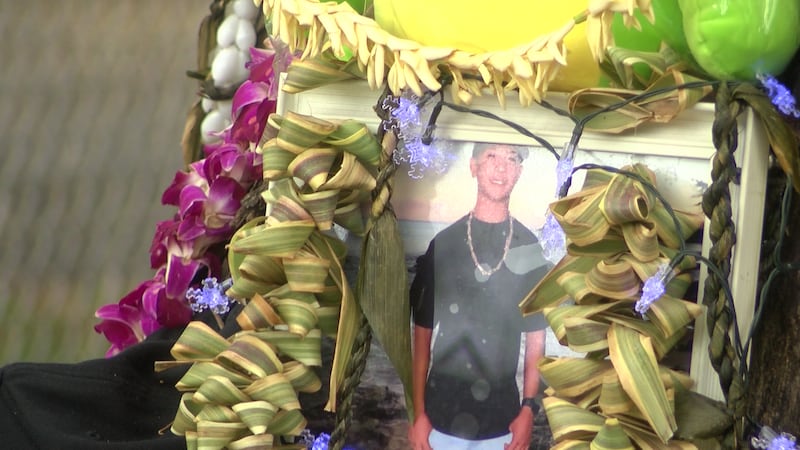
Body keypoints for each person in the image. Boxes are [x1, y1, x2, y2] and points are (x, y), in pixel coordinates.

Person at [407, 142, 550, 450]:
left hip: (503, 423)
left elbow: (537, 341)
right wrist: (419, 414)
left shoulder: (529, 248)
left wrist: (528, 410)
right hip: (438, 419)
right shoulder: (444, 244)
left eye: (511, 158)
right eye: (491, 156)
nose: (501, 167)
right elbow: (421, 337)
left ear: (519, 172)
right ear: (473, 166)